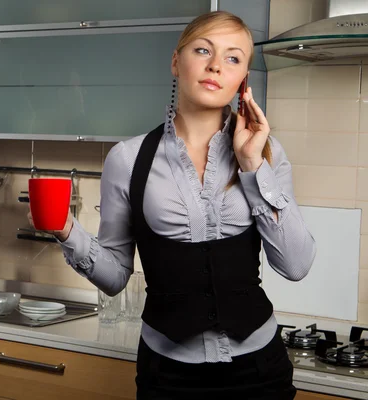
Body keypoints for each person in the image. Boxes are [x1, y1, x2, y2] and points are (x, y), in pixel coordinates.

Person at [37, 11, 316, 399]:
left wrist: (252, 165)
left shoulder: (266, 154)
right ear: (175, 61)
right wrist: (65, 230)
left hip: (260, 370)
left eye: (233, 58)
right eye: (203, 50)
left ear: (243, 81)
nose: (216, 65)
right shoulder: (127, 159)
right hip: (167, 376)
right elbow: (116, 277)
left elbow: (296, 265)